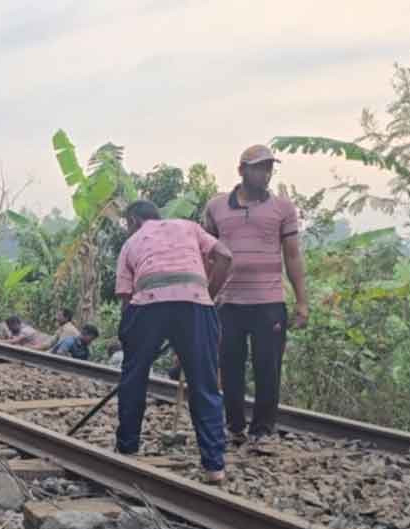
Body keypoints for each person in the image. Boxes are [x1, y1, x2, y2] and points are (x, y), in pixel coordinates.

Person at [115, 199, 233, 483]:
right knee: (204, 384)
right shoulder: (190, 227)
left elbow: (125, 300)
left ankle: (127, 449)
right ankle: (214, 466)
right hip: (195, 303)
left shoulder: (132, 242)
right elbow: (225, 256)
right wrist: (208, 293)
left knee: (134, 378)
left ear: (133, 221)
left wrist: (136, 344)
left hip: (147, 304)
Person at [203, 145, 308, 446]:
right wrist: (202, 293)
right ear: (241, 170)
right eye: (259, 167)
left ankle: (262, 430)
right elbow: (207, 253)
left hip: (269, 302)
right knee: (229, 366)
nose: (266, 173)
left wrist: (302, 302)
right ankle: (233, 425)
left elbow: (293, 257)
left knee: (268, 367)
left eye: (269, 167)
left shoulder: (283, 209)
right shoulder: (216, 207)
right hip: (228, 302)